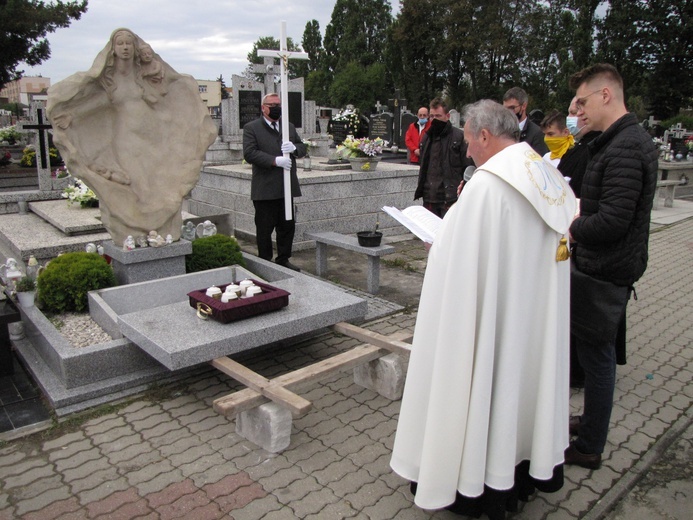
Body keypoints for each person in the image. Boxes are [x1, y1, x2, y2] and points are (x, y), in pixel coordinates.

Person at [391, 100, 576, 519]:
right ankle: (518, 473)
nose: (468, 150)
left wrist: (439, 245)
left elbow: (456, 262)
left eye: (470, 140)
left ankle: (472, 480)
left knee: (484, 387)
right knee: (517, 385)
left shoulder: (489, 185)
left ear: (486, 135)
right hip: (528, 321)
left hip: (493, 323)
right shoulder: (544, 172)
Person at [566, 64, 658, 470]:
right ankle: (589, 423)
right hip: (604, 266)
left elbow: (613, 220)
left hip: (604, 271)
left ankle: (589, 445)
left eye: (583, 101)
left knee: (597, 360)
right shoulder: (617, 142)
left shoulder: (626, 147)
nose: (578, 110)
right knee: (593, 356)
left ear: (606, 95)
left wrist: (571, 224)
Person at [47, 28, 216, 245]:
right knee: (140, 187)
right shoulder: (110, 80)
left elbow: (168, 85)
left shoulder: (142, 75)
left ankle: (159, 230)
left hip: (152, 138)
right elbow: (99, 103)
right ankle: (141, 229)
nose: (125, 47)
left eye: (129, 43)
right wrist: (71, 115)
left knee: (158, 182)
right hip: (126, 140)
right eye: (121, 44)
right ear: (113, 49)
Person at [243, 92, 306, 271]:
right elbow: (249, 153)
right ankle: (264, 262)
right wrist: (275, 160)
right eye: (272, 104)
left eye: (278, 104)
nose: (276, 107)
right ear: (263, 108)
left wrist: (295, 149)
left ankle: (283, 259)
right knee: (264, 229)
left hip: (286, 188)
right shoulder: (252, 128)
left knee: (287, 226)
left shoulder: (289, 127)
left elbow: (302, 148)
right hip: (265, 189)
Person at [414, 98, 474, 218]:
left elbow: (468, 167)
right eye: (432, 116)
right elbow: (424, 166)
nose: (434, 119)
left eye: (438, 116)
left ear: (447, 116)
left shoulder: (459, 137)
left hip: (449, 197)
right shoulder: (427, 137)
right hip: (429, 196)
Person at [558, 96, 602, 197]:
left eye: (573, 113)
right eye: (569, 113)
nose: (568, 118)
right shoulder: (576, 147)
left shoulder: (596, 149)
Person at [503, 87, 549, 155]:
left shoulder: (536, 133)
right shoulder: (501, 131)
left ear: (524, 106)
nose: (508, 112)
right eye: (505, 109)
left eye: (512, 108)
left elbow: (540, 162)